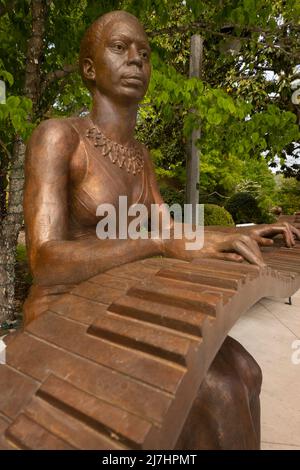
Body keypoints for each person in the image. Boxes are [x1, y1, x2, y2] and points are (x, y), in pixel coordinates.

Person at [22, 11, 300, 449]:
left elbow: (172, 231)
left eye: (145, 53)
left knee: (246, 371)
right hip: (64, 306)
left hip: (128, 297)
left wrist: (247, 230)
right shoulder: (58, 137)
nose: (136, 59)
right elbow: (44, 261)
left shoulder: (141, 155)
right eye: (120, 47)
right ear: (90, 68)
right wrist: (153, 242)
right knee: (218, 390)